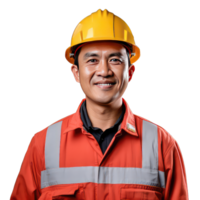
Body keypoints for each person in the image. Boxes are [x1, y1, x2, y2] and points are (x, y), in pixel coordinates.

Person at [9, 8, 190, 200]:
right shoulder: (42, 145)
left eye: (115, 60)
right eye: (93, 60)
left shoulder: (163, 145)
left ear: (131, 73)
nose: (104, 71)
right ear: (75, 73)